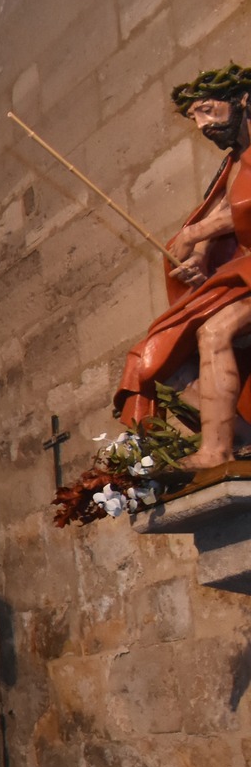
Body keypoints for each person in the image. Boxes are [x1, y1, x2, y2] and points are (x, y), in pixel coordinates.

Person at [115, 64, 251, 468]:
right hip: (244, 276)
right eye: (195, 117)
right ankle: (242, 436)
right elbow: (223, 209)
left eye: (208, 110)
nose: (202, 125)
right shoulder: (234, 163)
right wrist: (198, 256)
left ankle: (216, 451)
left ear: (243, 100)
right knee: (154, 361)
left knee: (215, 331)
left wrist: (196, 233)